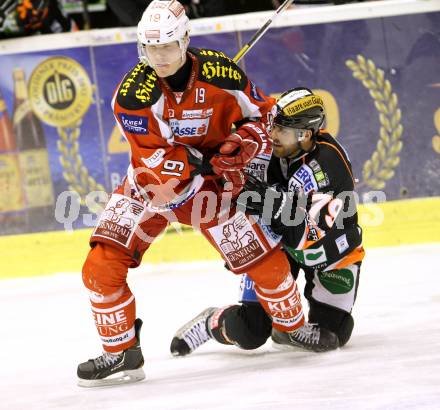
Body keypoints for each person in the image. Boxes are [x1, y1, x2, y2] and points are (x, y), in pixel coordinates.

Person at [76, 1, 337, 387]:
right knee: (99, 268)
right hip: (154, 191)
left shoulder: (220, 73)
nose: (159, 57)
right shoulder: (133, 97)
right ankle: (122, 354)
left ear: (184, 41)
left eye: (166, 47)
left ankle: (291, 327)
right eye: (150, 48)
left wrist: (244, 141)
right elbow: (156, 170)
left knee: (269, 266)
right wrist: (210, 157)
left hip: (216, 191)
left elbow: (264, 115)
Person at [170, 87, 365, 356]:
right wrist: (207, 156)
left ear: (305, 134)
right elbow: (225, 147)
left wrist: (252, 193)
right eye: (272, 126)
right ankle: (211, 322)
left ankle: (286, 327)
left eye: (280, 130)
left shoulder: (328, 170)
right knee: (251, 331)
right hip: (279, 248)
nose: (271, 135)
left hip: (331, 252)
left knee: (331, 336)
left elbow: (302, 233)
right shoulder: (269, 145)